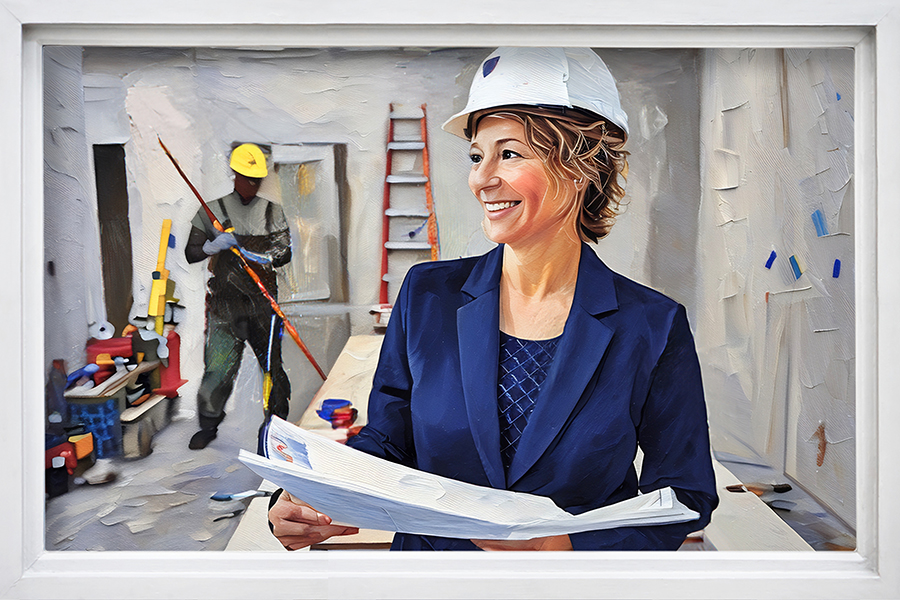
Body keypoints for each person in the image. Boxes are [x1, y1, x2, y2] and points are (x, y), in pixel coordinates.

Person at [268, 47, 718, 550]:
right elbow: (389, 440)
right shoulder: (427, 295)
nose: (481, 179)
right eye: (477, 156)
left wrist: (563, 548)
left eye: (510, 154)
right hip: (433, 576)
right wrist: (314, 495)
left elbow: (684, 493)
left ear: (582, 166)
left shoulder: (652, 325)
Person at [184, 143, 292, 451]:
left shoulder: (272, 211)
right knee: (218, 370)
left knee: (272, 369)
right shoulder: (212, 211)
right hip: (224, 306)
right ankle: (208, 425)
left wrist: (250, 251)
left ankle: (276, 426)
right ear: (235, 175)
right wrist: (213, 246)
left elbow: (284, 253)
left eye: (258, 180)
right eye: (248, 178)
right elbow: (191, 253)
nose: (253, 185)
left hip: (263, 305)